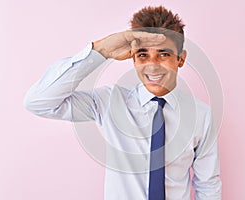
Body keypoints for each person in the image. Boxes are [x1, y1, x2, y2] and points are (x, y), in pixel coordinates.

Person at [24, 6, 222, 200]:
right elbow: (39, 102)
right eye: (143, 55)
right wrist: (99, 50)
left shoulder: (201, 115)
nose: (152, 66)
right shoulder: (109, 101)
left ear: (181, 59)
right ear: (133, 58)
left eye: (164, 54)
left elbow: (208, 184)